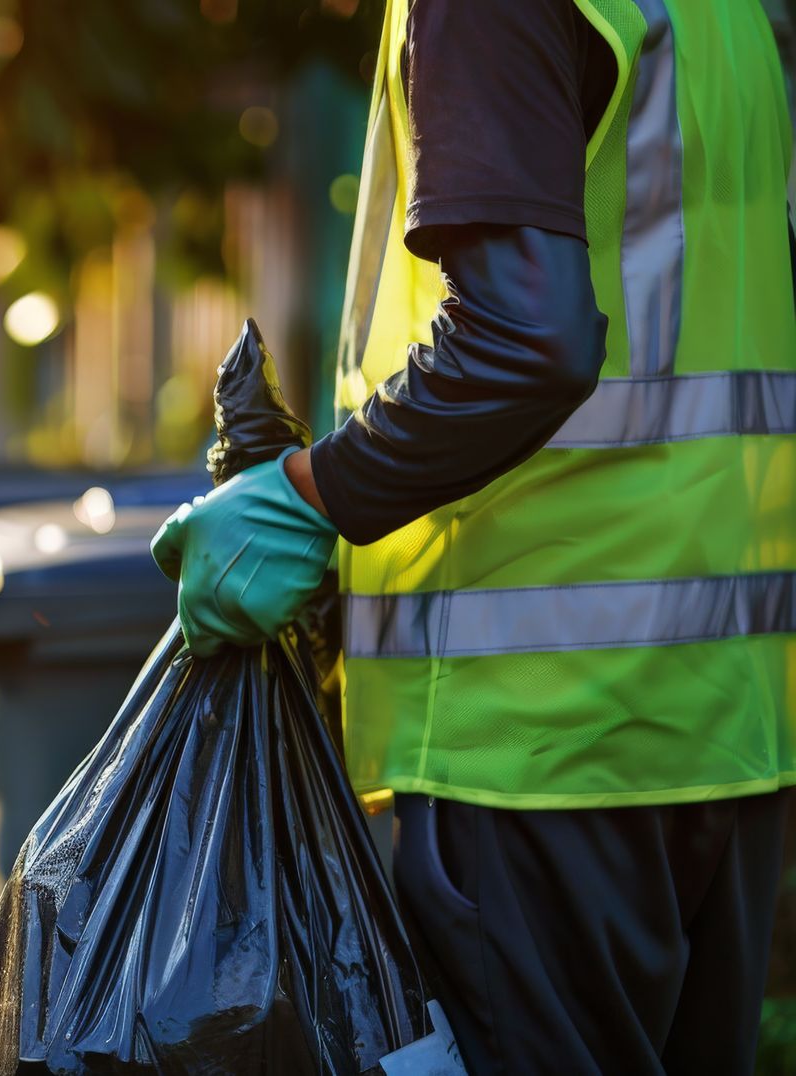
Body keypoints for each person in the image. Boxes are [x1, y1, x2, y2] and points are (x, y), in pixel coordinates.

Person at [154, 0, 794, 1071]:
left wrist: (311, 492)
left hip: (534, 742)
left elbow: (525, 340)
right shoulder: (717, 13)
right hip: (720, 728)